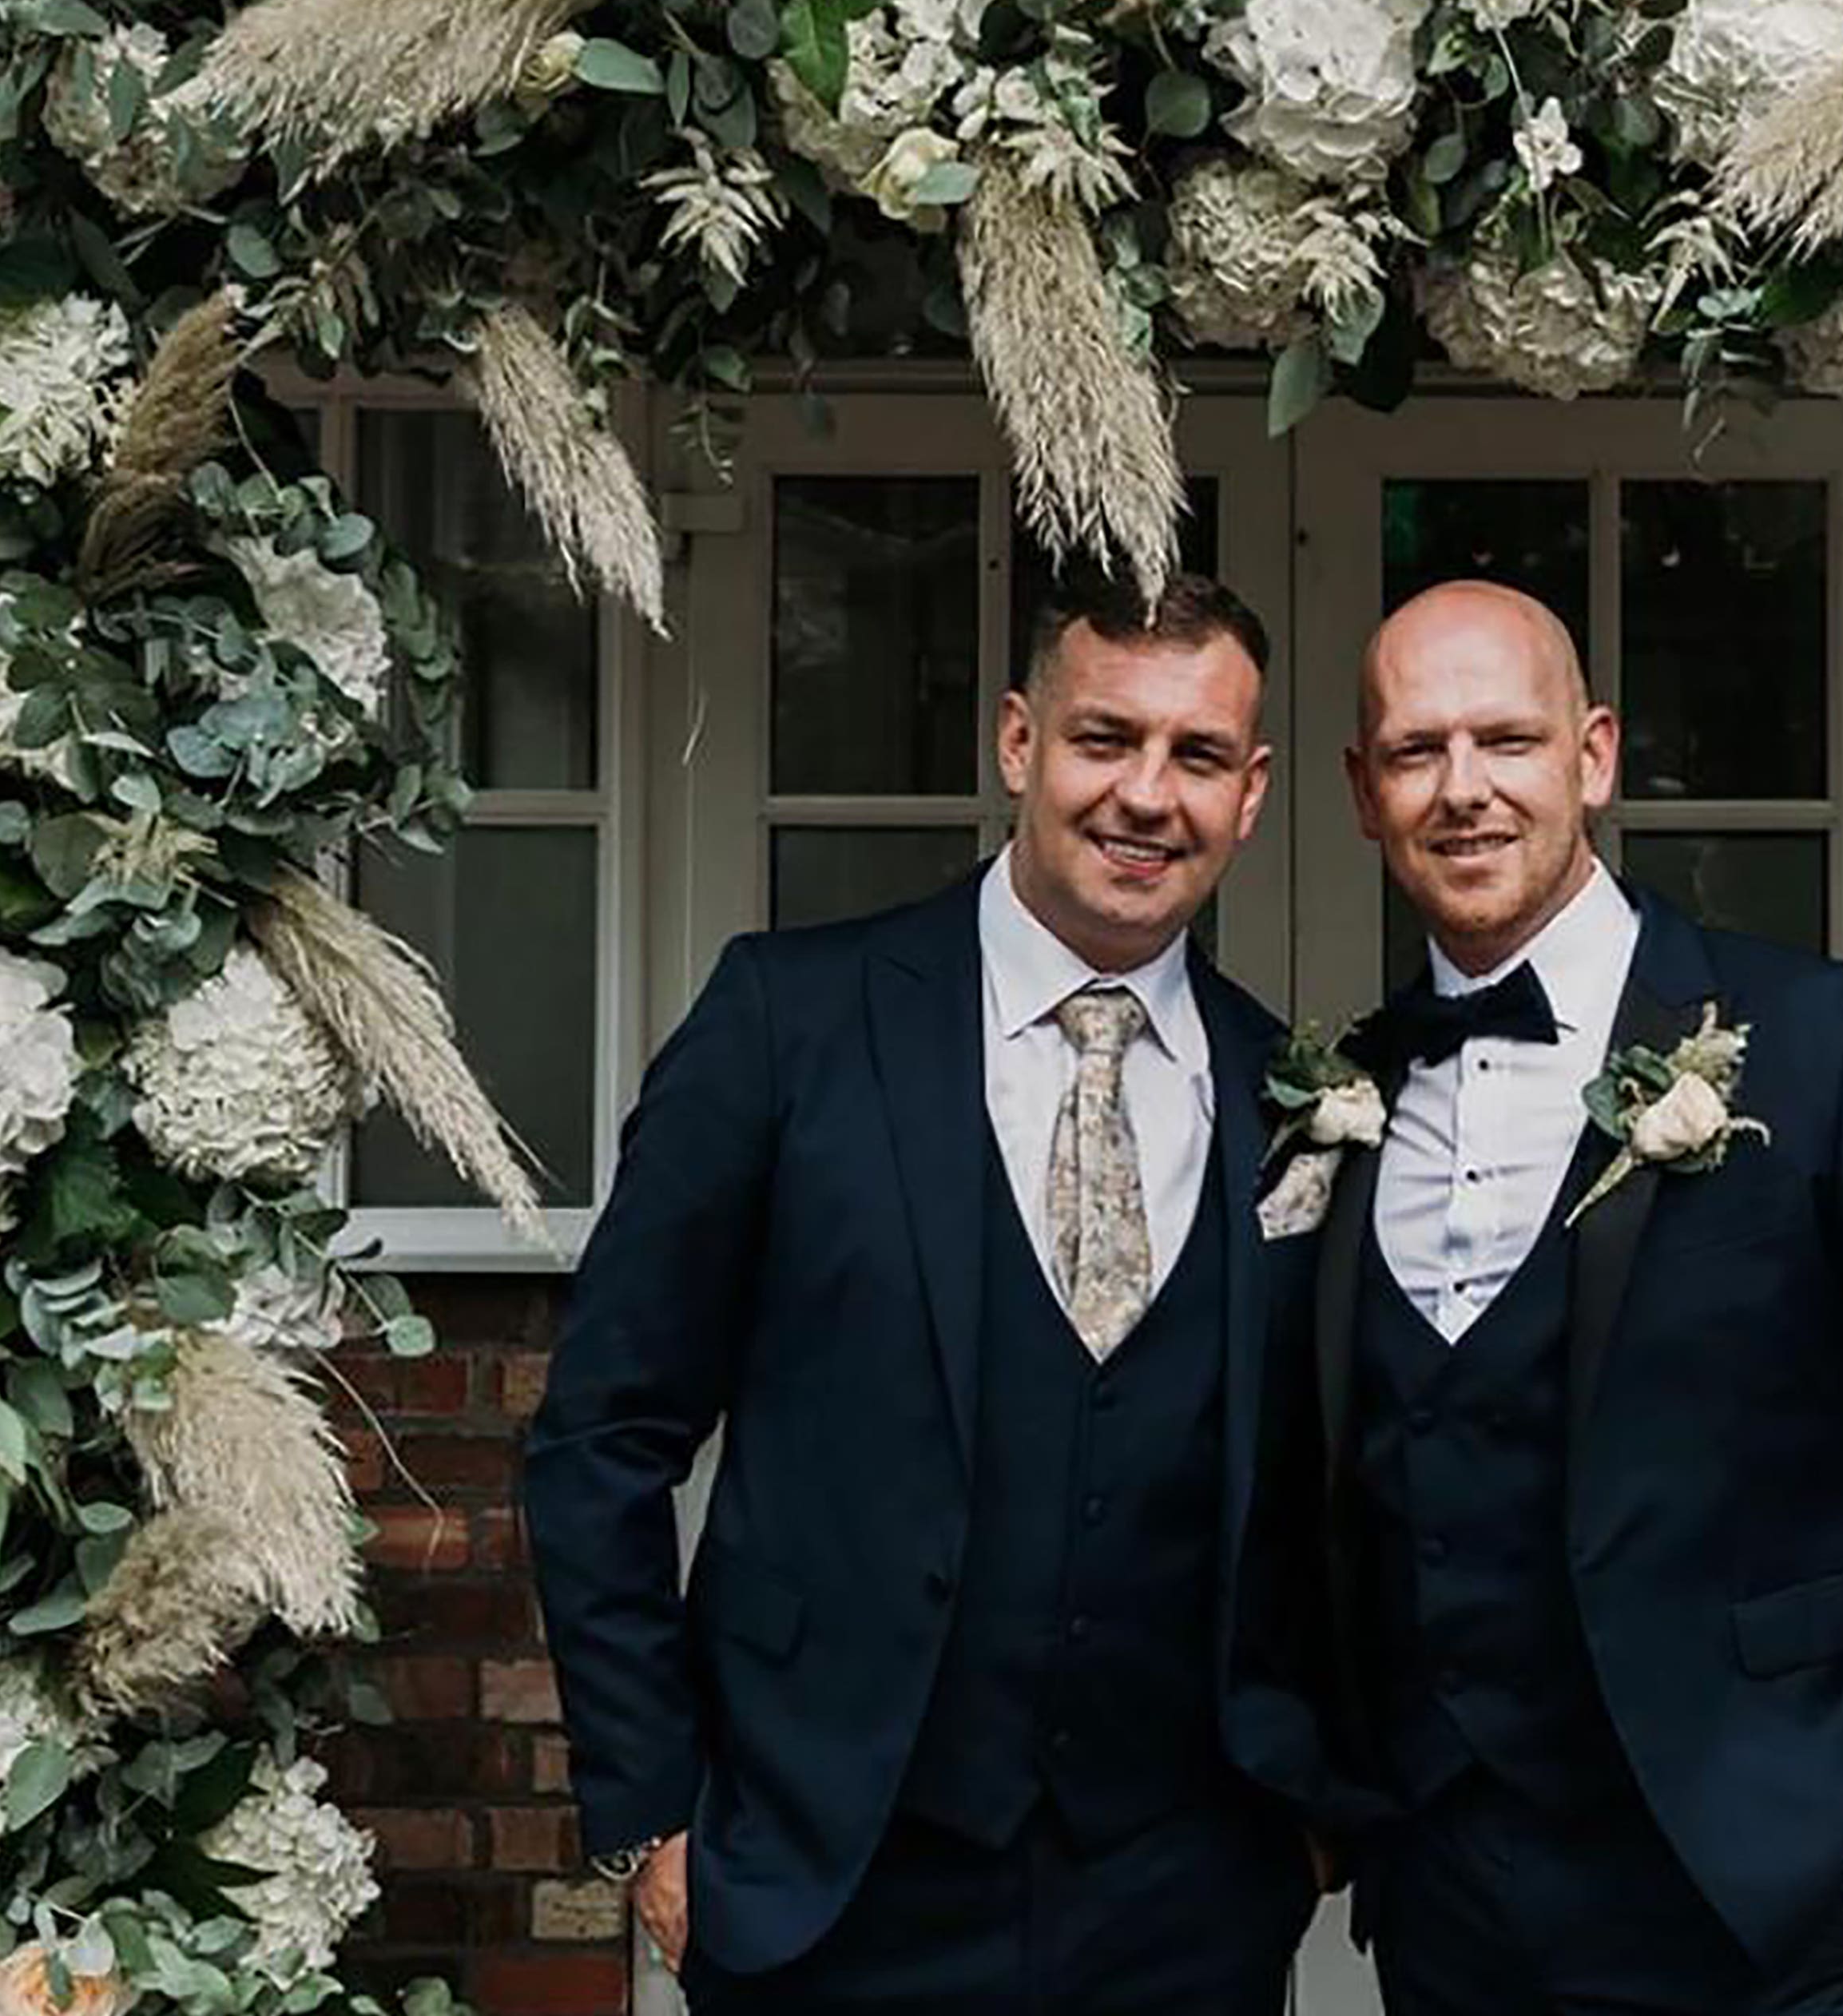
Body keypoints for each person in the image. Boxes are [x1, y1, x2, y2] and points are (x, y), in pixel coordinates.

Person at [522, 573, 1330, 2014]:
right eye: (1105, 739)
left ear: (1251, 791)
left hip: (1185, 1905)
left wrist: (1316, 1792)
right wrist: (651, 1809)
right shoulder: (788, 1022)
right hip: (833, 1878)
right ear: (1018, 743)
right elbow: (603, 1438)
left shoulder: (1297, 1094)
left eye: (1197, 756)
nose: (1147, 796)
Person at [1314, 579, 1843, 2016]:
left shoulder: (1824, 1043)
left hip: (1752, 1895)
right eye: (1417, 751)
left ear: (1596, 758)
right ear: (1364, 793)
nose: (1465, 789)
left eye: (1507, 739)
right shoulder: (1343, 1093)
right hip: (1446, 1906)